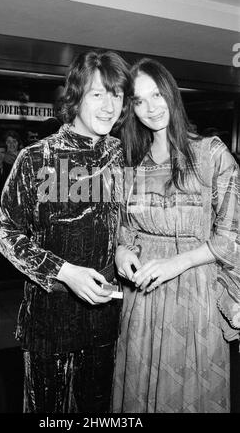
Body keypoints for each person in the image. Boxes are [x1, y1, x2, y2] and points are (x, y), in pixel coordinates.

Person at [0, 50, 131, 413]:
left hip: (104, 317)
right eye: (97, 94)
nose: (108, 106)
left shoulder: (119, 155)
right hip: (50, 318)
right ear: (76, 97)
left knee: (96, 409)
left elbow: (122, 220)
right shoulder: (36, 158)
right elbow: (6, 233)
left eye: (115, 95)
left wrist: (120, 246)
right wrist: (64, 272)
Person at [112, 58, 240, 413]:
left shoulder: (210, 154)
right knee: (139, 388)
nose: (151, 108)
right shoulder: (131, 162)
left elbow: (232, 235)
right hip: (142, 297)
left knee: (188, 393)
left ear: (172, 93)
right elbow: (123, 228)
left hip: (194, 292)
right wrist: (123, 253)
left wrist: (176, 263)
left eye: (157, 95)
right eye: (139, 100)